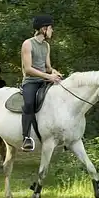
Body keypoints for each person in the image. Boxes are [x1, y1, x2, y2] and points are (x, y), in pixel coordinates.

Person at [20, 14, 62, 152]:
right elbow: (28, 69)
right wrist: (48, 76)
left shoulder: (46, 46)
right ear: (44, 29)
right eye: (51, 28)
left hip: (44, 80)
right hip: (31, 82)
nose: (52, 31)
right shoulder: (28, 44)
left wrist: (54, 72)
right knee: (29, 103)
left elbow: (48, 67)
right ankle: (26, 138)